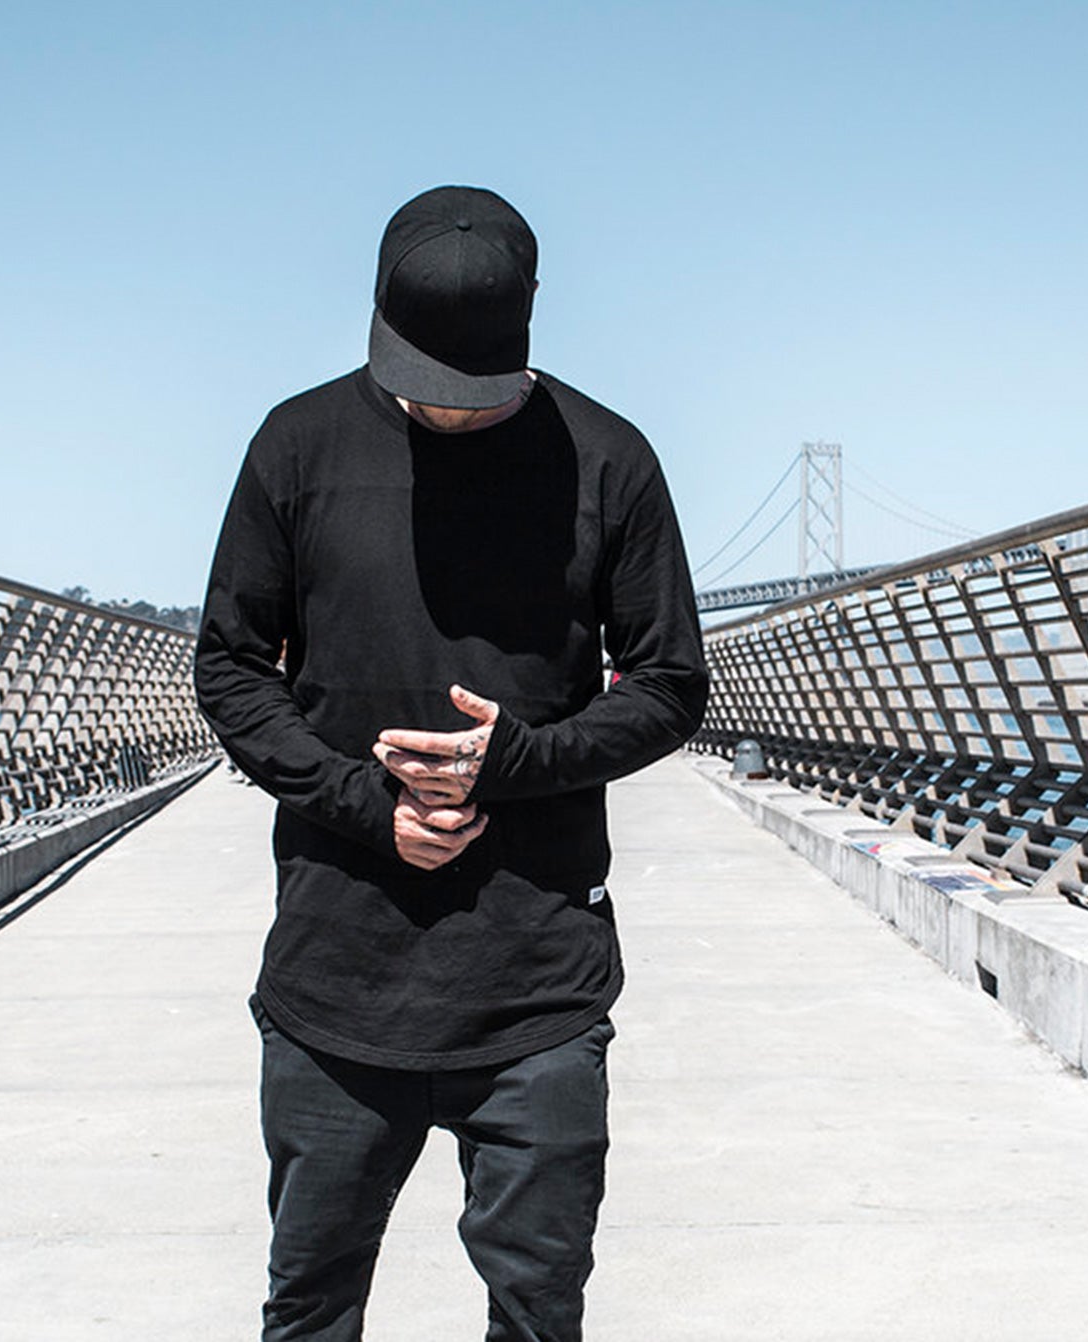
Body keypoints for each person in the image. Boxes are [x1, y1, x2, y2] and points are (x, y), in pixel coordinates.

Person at [193, 184, 706, 1342]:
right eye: (419, 385)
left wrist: (516, 762)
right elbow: (228, 666)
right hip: (335, 976)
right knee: (309, 1307)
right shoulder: (296, 445)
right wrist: (368, 807)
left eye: (470, 393)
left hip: (538, 987)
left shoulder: (610, 461)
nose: (444, 412)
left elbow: (672, 684)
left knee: (538, 1313)